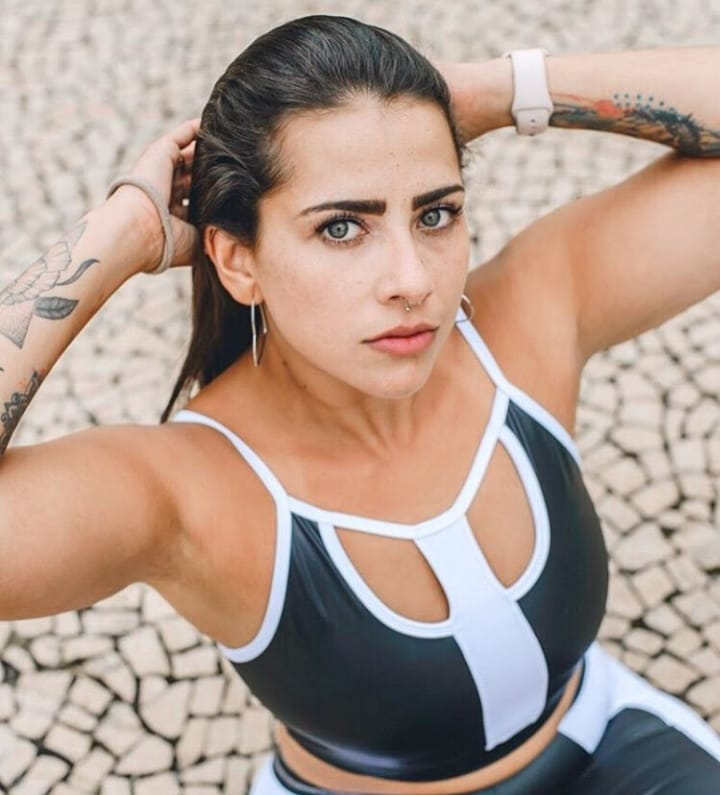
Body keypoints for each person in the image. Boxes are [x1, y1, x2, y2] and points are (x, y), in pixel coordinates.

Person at [2, 13, 720, 795]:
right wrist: (124, 230)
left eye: (435, 213)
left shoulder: (530, 318)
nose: (412, 280)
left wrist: (493, 91)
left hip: (607, 746)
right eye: (343, 227)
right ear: (238, 260)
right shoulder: (188, 491)